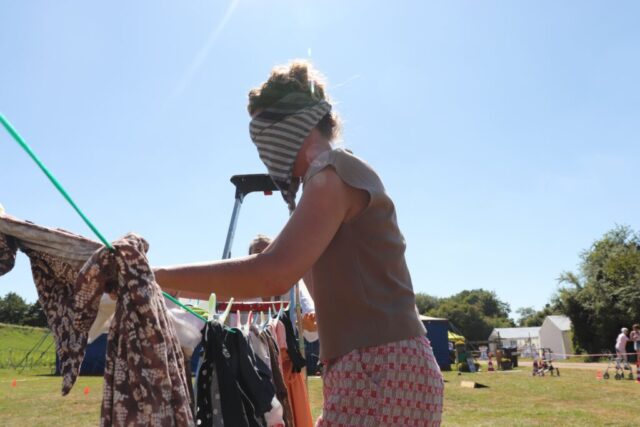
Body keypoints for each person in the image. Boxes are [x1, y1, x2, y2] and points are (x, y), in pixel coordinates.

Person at [155, 60, 444, 426]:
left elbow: (270, 274)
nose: (264, 153)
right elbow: (265, 271)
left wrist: (156, 276)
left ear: (288, 129)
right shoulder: (331, 179)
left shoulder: (330, 174)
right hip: (380, 366)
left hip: (379, 367)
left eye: (264, 138)